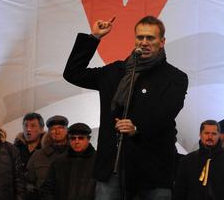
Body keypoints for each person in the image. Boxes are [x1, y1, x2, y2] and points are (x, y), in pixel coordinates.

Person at [64, 15, 188, 199]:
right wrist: (94, 37)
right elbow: (73, 74)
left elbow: (166, 113)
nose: (144, 42)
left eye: (150, 38)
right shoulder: (115, 72)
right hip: (113, 167)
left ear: (162, 42)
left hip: (153, 170)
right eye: (140, 37)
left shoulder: (175, 77)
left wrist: (137, 128)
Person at [173, 120, 224, 200]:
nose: (210, 137)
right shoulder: (187, 161)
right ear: (200, 135)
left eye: (214, 134)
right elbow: (179, 191)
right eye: (206, 133)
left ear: (218, 136)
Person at [40, 123, 97, 200]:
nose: (76, 141)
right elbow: (47, 189)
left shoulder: (98, 160)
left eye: (80, 138)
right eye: (73, 138)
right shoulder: (59, 162)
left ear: (88, 139)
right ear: (69, 140)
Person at [26, 115, 70, 200]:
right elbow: (28, 181)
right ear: (49, 132)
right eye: (53, 129)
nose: (57, 132)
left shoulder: (75, 154)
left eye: (60, 128)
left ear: (67, 130)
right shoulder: (38, 156)